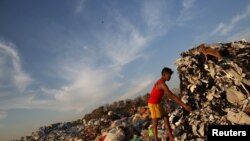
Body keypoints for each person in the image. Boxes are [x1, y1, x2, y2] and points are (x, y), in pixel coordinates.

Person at [148, 67, 192, 141]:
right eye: (169, 75)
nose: (170, 77)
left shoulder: (161, 82)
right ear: (164, 74)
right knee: (155, 123)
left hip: (158, 103)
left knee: (166, 117)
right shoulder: (162, 84)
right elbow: (171, 96)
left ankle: (171, 137)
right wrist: (184, 105)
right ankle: (156, 139)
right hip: (153, 104)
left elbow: (170, 96)